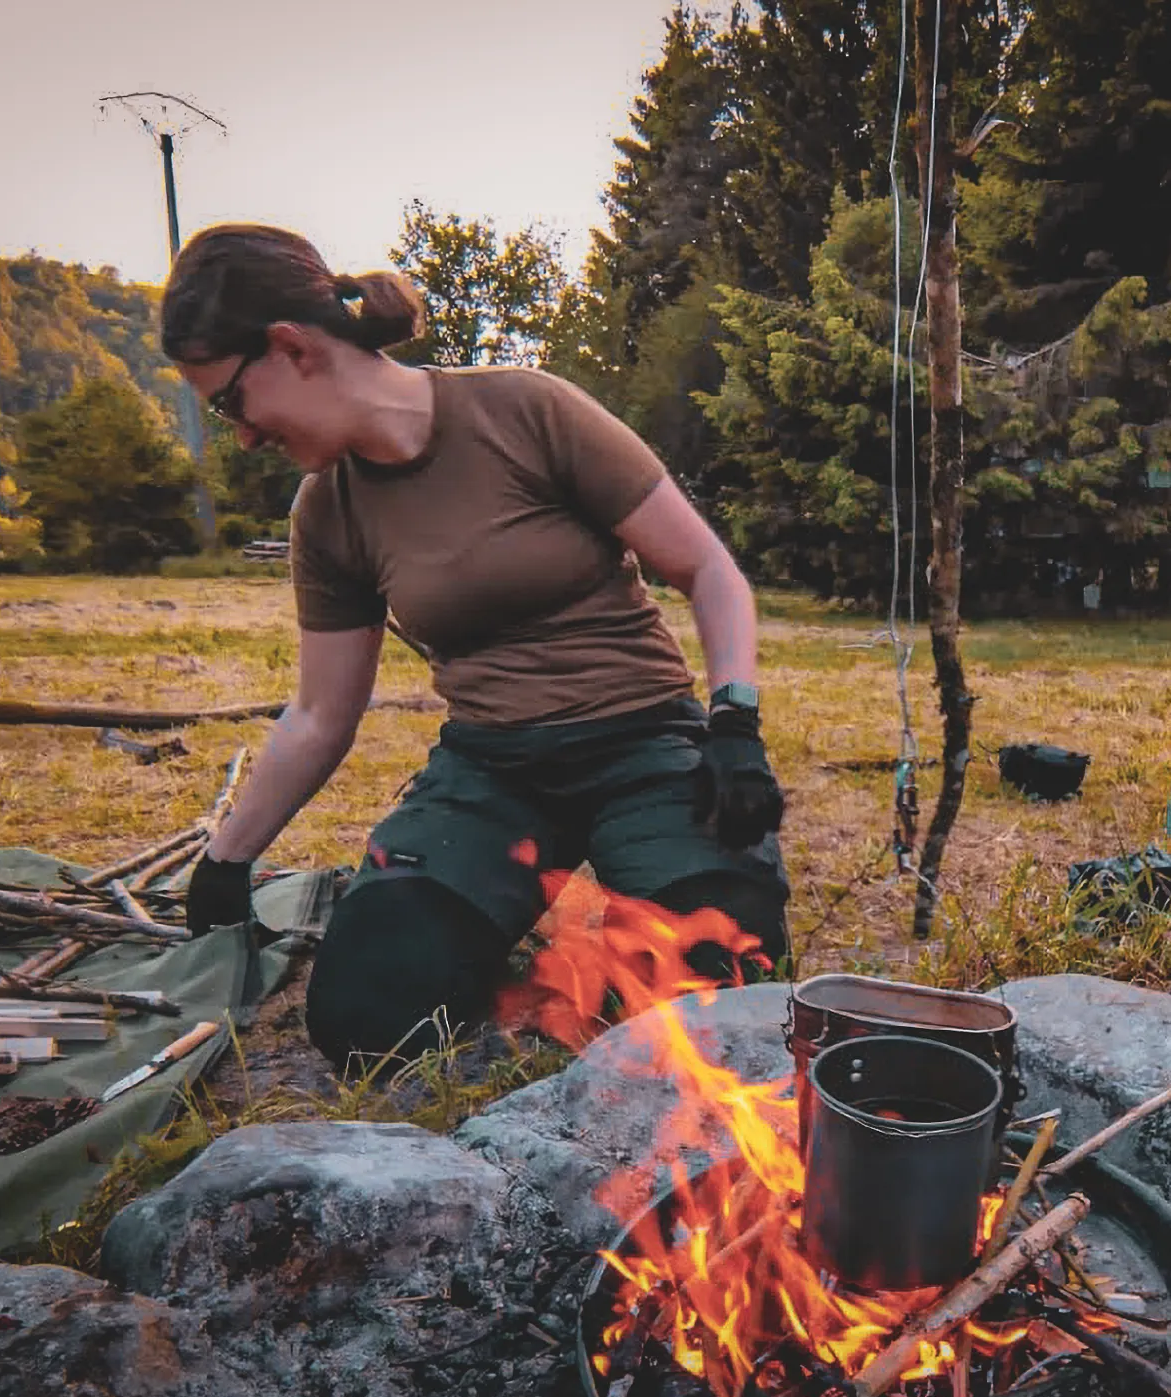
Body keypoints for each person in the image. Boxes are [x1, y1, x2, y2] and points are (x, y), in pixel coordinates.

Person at [158, 223, 788, 1067]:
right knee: (365, 1010)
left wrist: (734, 724)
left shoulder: (525, 409)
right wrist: (227, 860)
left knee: (723, 970)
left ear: (291, 347)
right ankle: (539, 948)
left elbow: (707, 570)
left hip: (643, 743)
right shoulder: (329, 512)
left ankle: (620, 924)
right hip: (493, 772)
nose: (241, 434)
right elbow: (319, 715)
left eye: (230, 403)